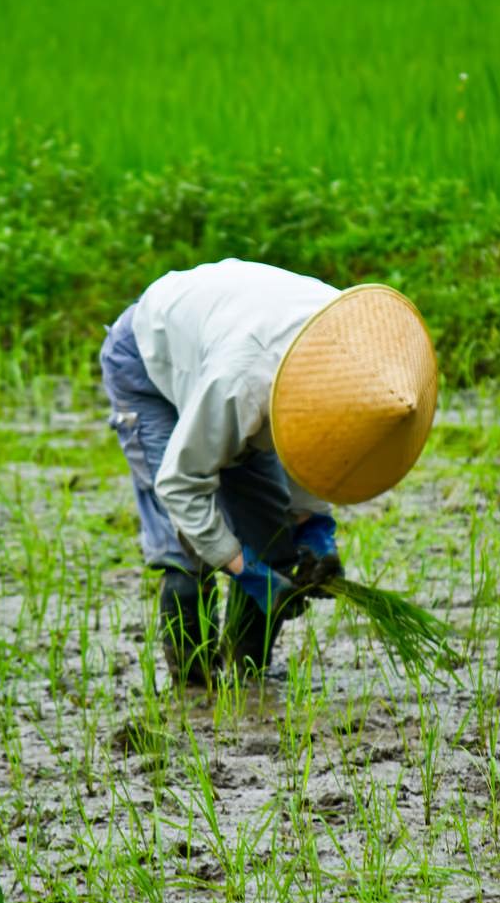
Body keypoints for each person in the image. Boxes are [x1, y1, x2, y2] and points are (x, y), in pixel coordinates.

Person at [99, 258, 438, 686]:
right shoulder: (241, 385)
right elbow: (180, 484)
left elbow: (316, 440)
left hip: (231, 345)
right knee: (186, 553)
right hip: (151, 361)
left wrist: (313, 525)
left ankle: (249, 680)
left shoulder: (353, 353)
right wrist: (244, 569)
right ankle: (195, 690)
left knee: (275, 543)